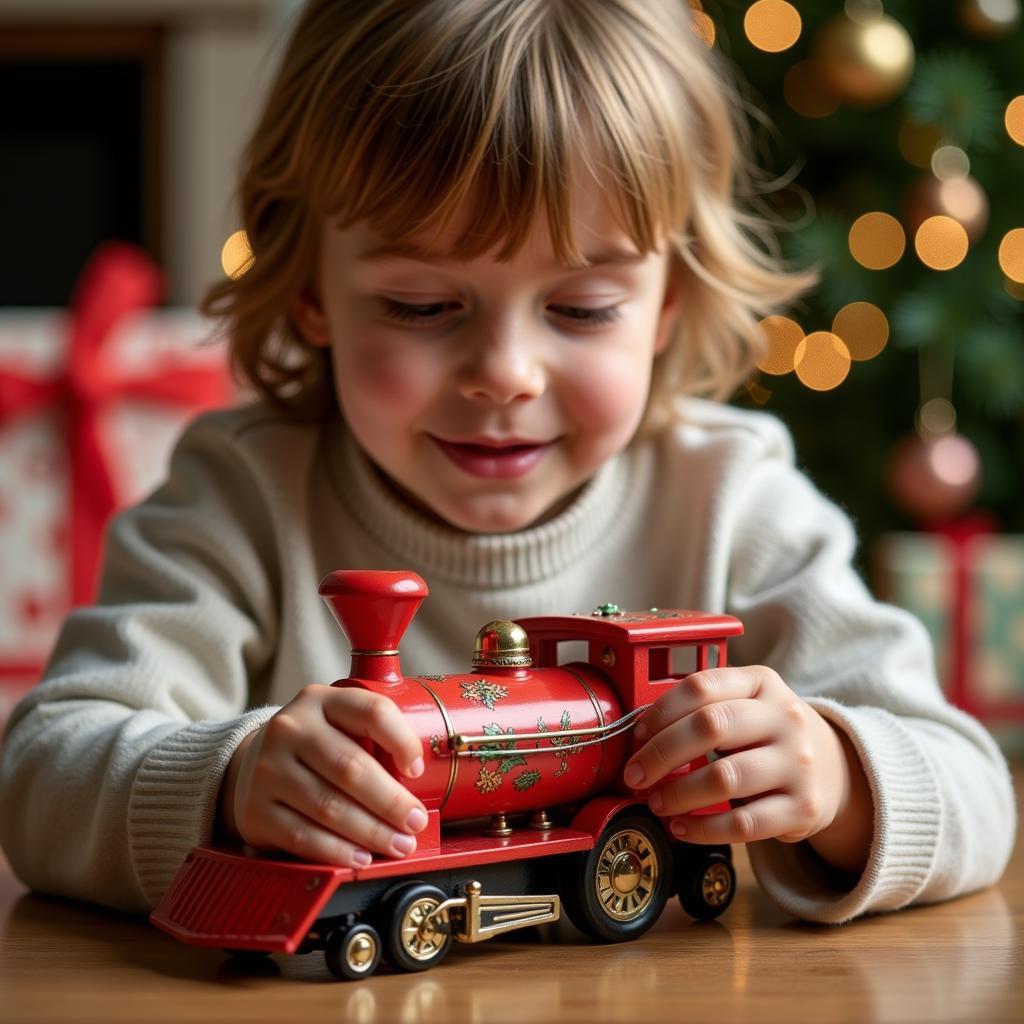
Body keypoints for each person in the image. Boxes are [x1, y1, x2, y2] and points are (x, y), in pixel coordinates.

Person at [0, 0, 1015, 925]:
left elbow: (971, 784)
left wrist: (837, 776)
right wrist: (225, 778)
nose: (503, 373)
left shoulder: (730, 496)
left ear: (667, 303)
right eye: (421, 305)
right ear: (309, 284)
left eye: (580, 308)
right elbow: (42, 775)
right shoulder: (241, 493)